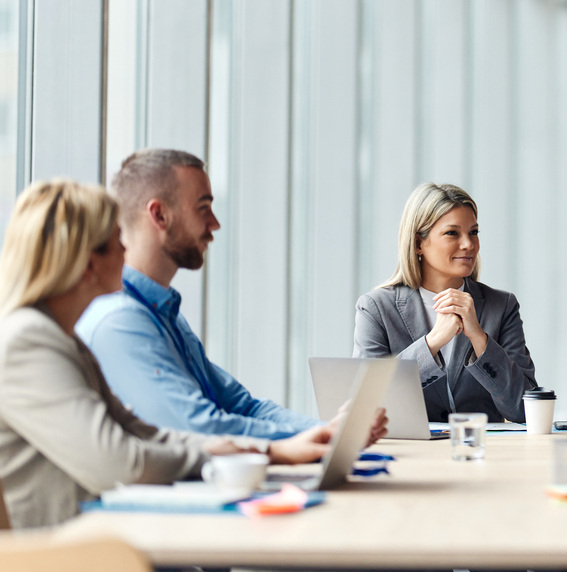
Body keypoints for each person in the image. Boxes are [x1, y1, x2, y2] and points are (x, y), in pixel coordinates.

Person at [0, 180, 333, 529]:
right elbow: (119, 462)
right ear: (88, 265)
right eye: (118, 244)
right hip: (63, 554)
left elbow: (144, 432)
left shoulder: (64, 339)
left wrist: (271, 451)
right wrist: (219, 458)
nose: (127, 254)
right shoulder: (29, 341)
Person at [77, 149, 355, 439]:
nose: (215, 223)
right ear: (159, 214)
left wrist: (326, 431)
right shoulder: (119, 320)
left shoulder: (164, 313)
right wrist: (307, 440)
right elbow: (199, 427)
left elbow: (241, 407)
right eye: (203, 208)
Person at [353, 183, 537, 423]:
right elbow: (366, 406)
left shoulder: (502, 306)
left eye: (473, 232)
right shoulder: (375, 308)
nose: (468, 244)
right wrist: (433, 342)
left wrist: (480, 340)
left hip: (482, 455)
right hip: (408, 456)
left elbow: (525, 409)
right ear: (419, 243)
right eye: (452, 233)